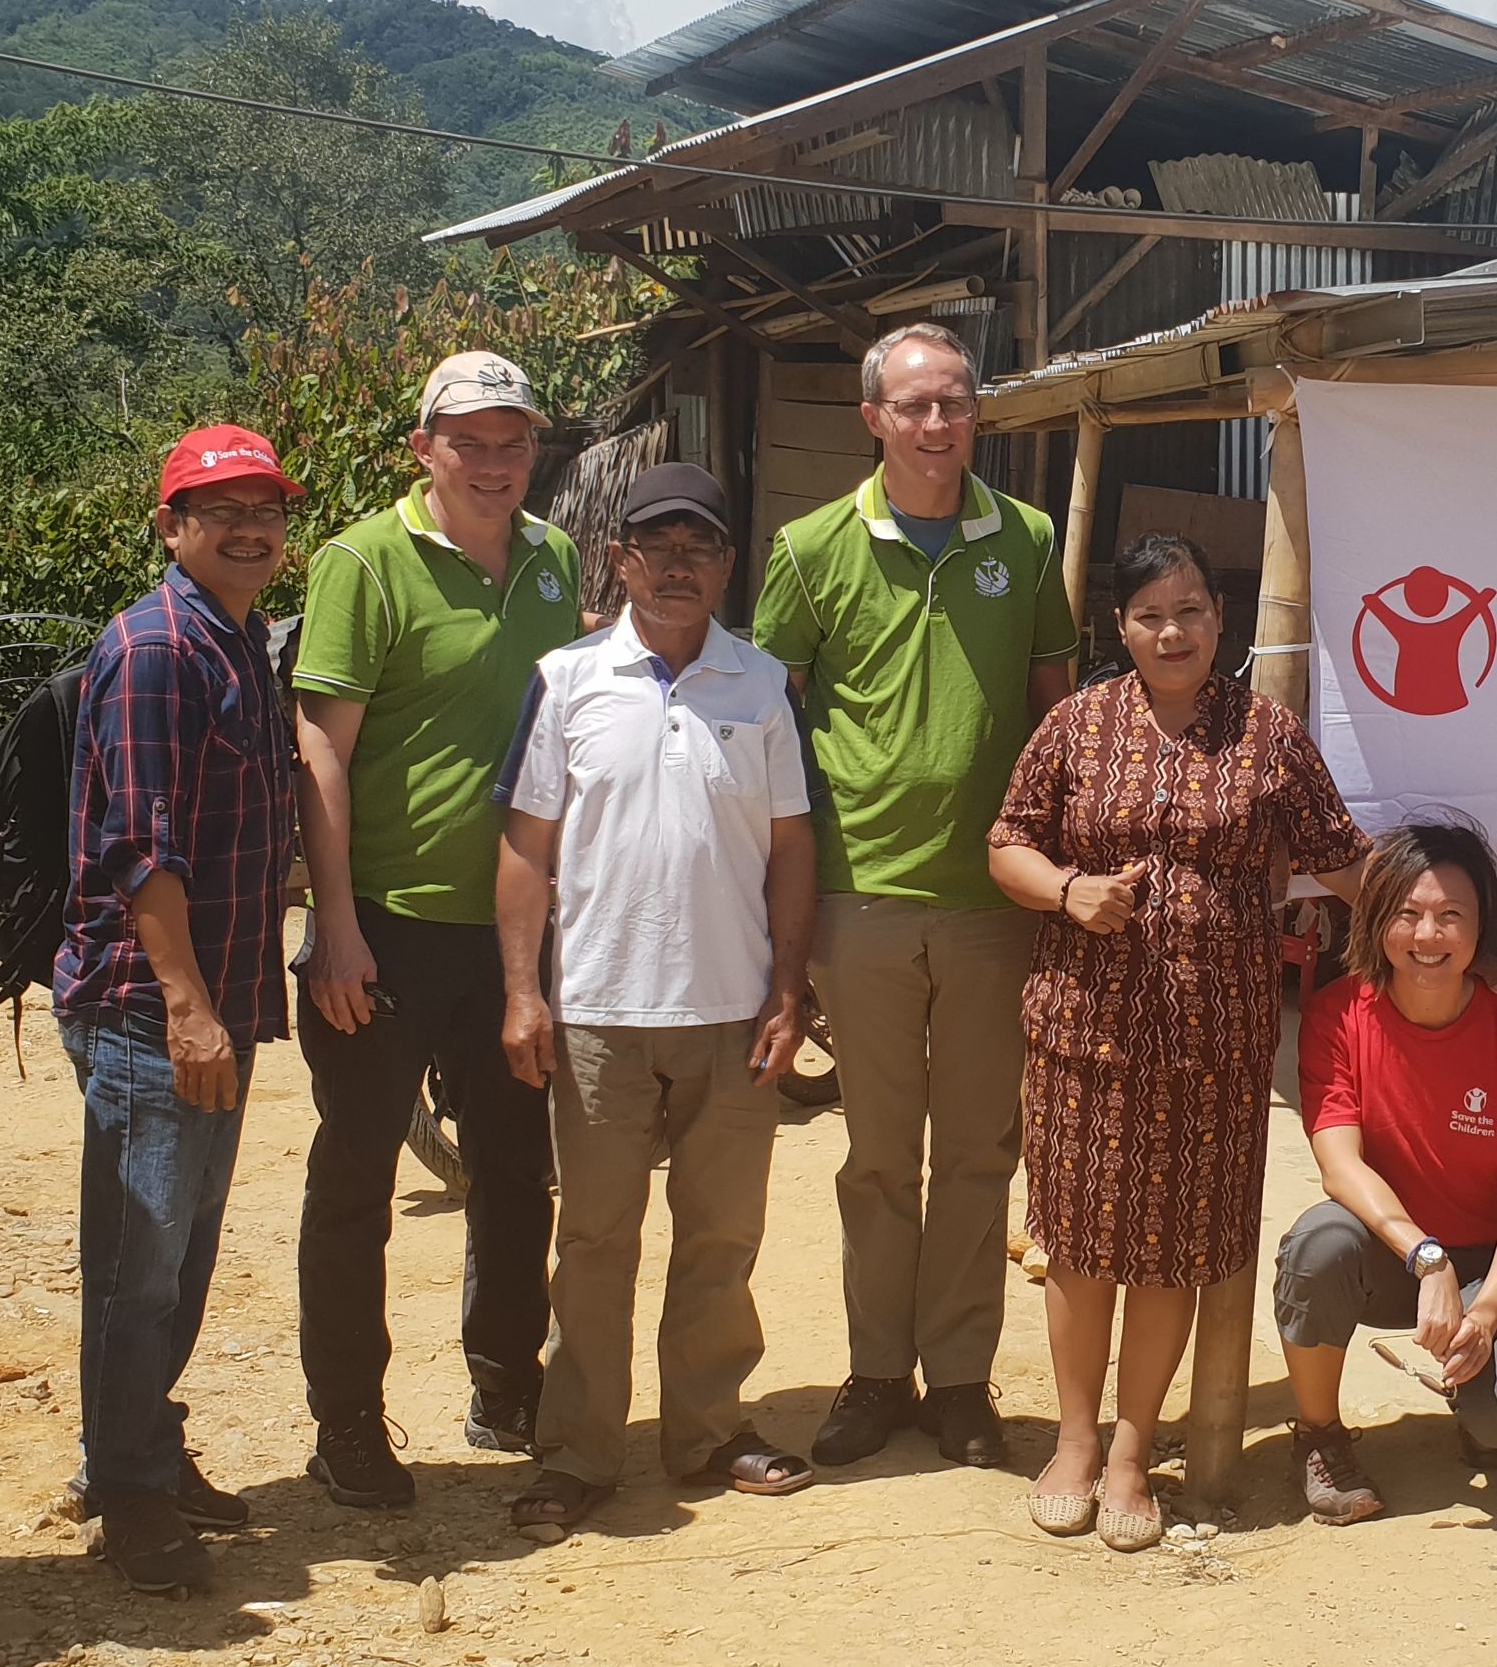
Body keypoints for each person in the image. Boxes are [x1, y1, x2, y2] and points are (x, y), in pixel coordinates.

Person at [986, 533, 1369, 1550]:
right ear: (1119, 626)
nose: (1173, 630)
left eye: (1192, 609)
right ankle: (1072, 1441)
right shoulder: (1076, 724)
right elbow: (1007, 840)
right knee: (1080, 1246)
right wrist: (1072, 892)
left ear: (1220, 619)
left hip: (1214, 1047)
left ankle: (1127, 1451)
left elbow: (1343, 856)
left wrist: (1447, 933)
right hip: (1085, 1034)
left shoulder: (1270, 736)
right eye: (1151, 613)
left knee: (1167, 1253)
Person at [754, 322, 1079, 1473]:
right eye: (917, 406)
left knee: (982, 1153)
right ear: (873, 421)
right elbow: (771, 713)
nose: (939, 424)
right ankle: (876, 1372)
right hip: (861, 896)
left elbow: (1055, 706)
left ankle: (961, 1382)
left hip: (992, 900)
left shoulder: (1028, 541)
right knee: (881, 1155)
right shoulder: (808, 549)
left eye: (956, 403)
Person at [493, 463, 817, 1545]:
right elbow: (527, 848)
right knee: (593, 1240)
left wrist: (787, 988)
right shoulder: (567, 678)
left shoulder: (763, 685)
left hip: (730, 1013)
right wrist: (522, 993)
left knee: (721, 1236)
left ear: (729, 565)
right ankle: (580, 1451)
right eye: (655, 545)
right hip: (596, 1013)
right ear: (619, 558)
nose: (677, 565)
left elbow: (790, 851)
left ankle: (710, 1432)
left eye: (700, 547)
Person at [289, 349, 587, 1505]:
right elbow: (323, 750)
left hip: (516, 934)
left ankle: (506, 1383)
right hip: (392, 930)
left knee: (518, 1168)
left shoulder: (556, 561)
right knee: (357, 1176)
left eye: (515, 442)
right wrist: (336, 924)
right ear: (424, 449)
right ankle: (348, 1422)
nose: (496, 463)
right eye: (470, 440)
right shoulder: (363, 561)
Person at [56, 425, 304, 1595]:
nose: (251, 529)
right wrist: (189, 1005)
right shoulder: (157, 647)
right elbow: (139, 848)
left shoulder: (239, 640)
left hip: (225, 999)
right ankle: (128, 1489)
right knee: (140, 1258)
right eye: (222, 511)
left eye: (266, 509)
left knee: (185, 1250)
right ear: (172, 527)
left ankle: (142, 1444)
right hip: (159, 1010)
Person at [1274, 816, 1497, 1522]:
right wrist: (1426, 1257)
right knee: (1319, 1242)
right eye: (1407, 914)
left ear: (1482, 927)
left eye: (1449, 916)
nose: (1427, 936)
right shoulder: (1340, 1015)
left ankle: (1482, 1410)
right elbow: (1339, 1165)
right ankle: (1319, 1436)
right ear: (1376, 920)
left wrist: (1489, 1308)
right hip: (1398, 1259)